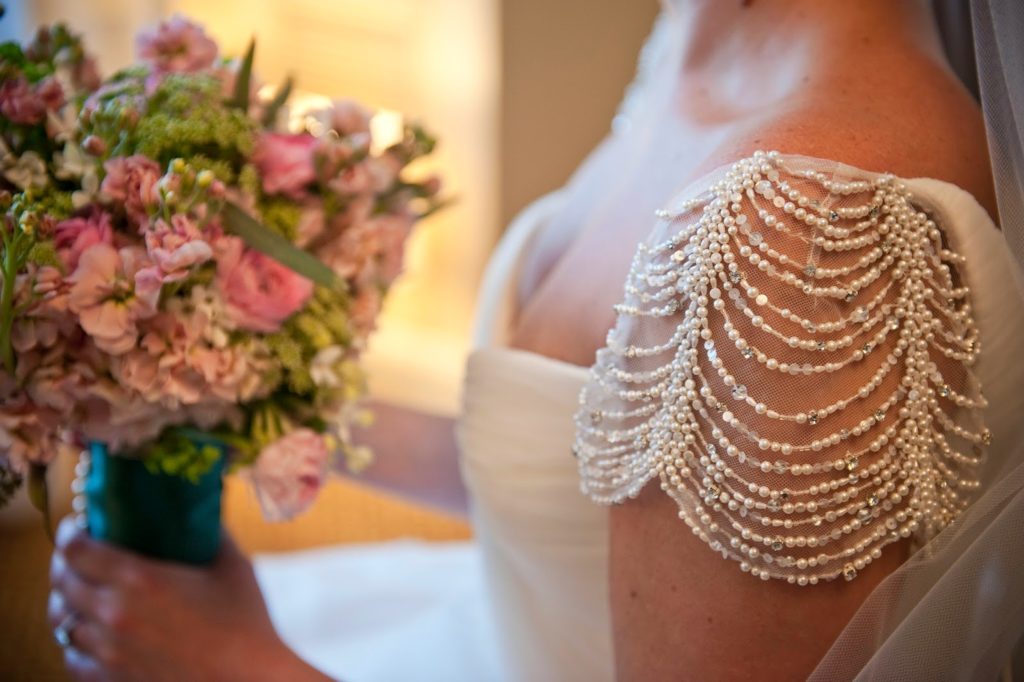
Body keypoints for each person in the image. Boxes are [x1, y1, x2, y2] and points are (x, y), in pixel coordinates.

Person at [47, 1, 1024, 680]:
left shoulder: (802, 231)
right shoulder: (691, 51)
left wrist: (244, 666)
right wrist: (235, 387)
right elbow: (579, 469)